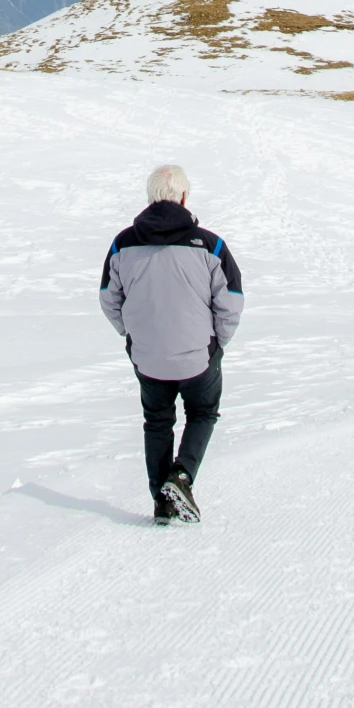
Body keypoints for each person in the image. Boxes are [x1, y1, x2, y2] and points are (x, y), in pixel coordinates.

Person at [99, 163, 243, 523]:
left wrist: (132, 336)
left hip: (147, 357)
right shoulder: (210, 245)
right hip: (198, 356)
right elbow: (231, 300)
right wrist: (216, 345)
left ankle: (162, 502)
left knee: (158, 421)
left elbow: (108, 298)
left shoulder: (123, 244)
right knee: (203, 412)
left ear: (150, 197)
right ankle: (180, 478)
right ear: (183, 196)